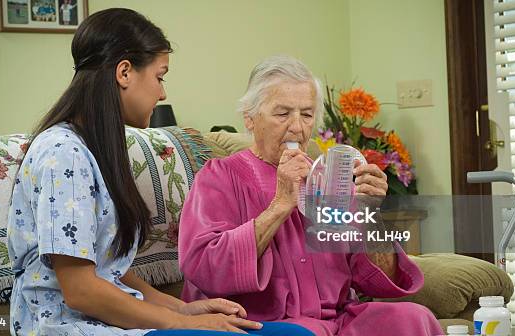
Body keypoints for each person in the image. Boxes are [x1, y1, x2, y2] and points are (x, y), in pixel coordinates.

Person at [7, 9, 313, 336]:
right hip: (69, 326)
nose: (163, 93)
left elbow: (108, 271)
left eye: (307, 114)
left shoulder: (95, 151)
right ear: (124, 72)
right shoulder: (63, 154)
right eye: (160, 76)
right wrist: (184, 322)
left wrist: (183, 307)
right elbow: (81, 290)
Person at [178, 55, 444, 336]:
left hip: (337, 322)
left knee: (413, 318)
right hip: (266, 325)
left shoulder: (331, 180)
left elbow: (380, 280)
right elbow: (204, 267)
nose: (297, 127)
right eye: (282, 114)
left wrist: (369, 214)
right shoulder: (220, 175)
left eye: (306, 114)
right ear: (250, 119)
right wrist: (281, 205)